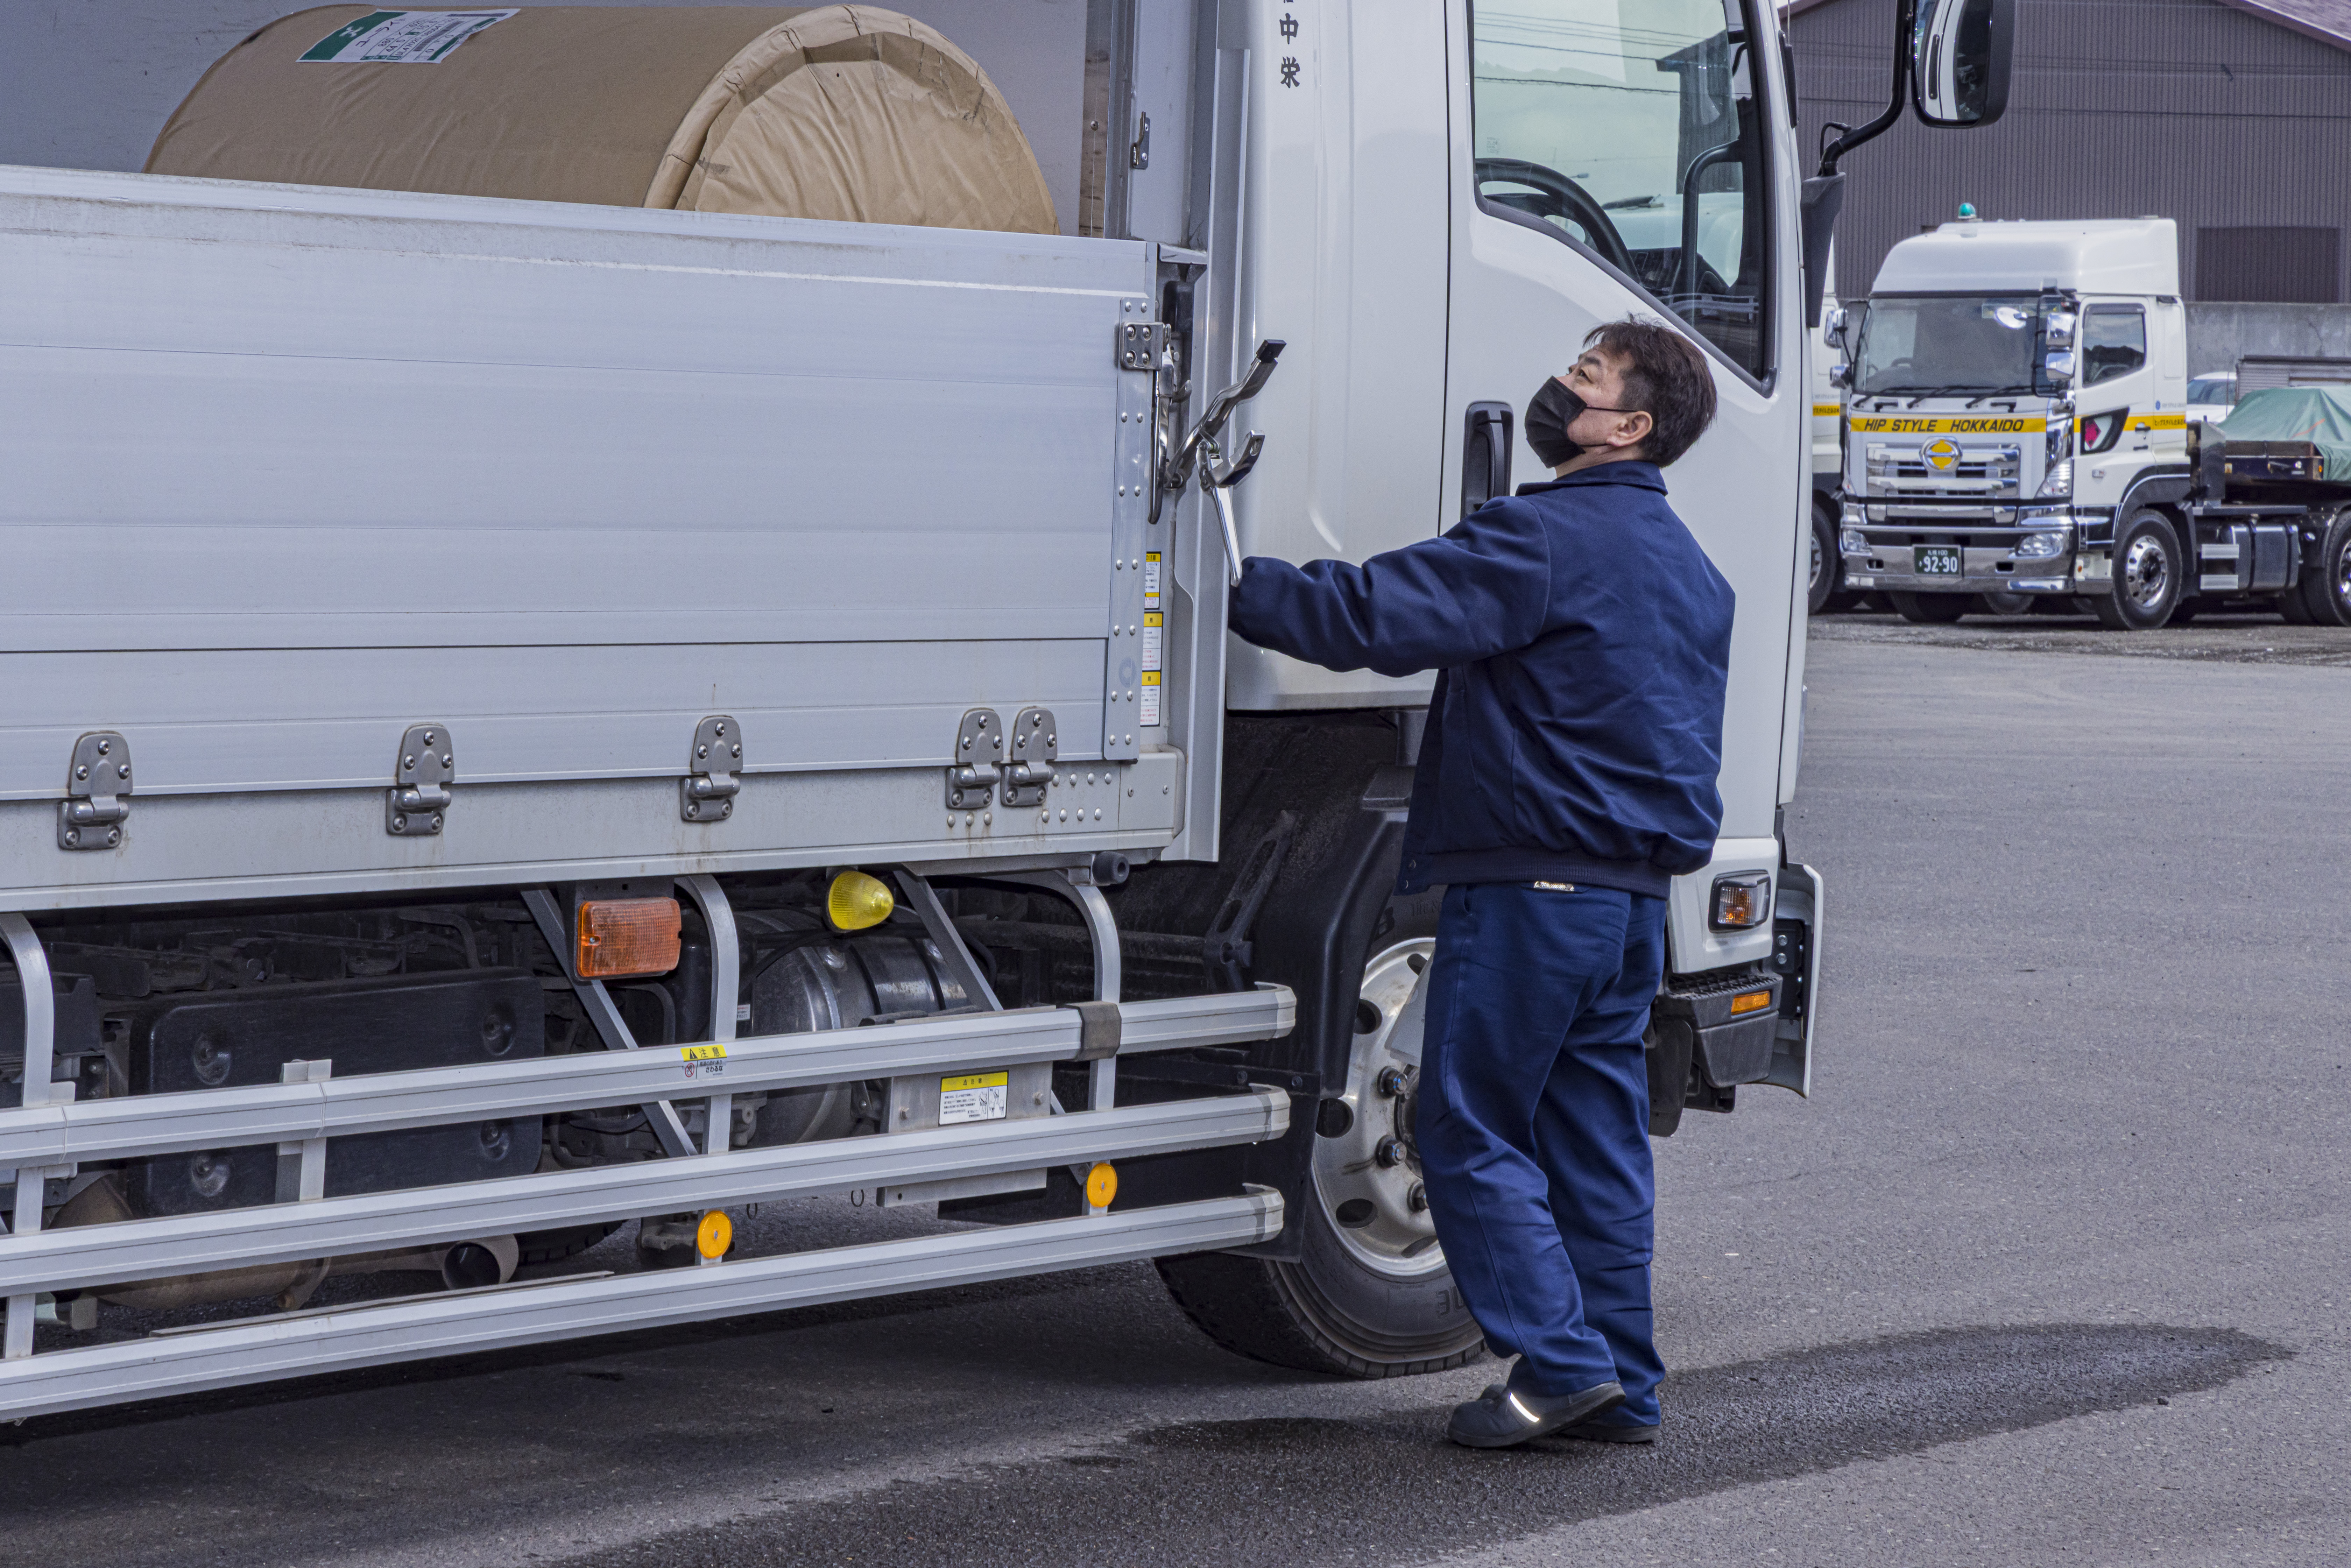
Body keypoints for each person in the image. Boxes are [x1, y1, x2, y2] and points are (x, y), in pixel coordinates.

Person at [1227, 318, 1734, 1449]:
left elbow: (1377, 615)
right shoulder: (1695, 569)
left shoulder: (1547, 536)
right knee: (1595, 1148)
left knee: (1461, 1125)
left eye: (1587, 378)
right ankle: (1625, 1387)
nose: (1562, 385)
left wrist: (1237, 586)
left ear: (1629, 427)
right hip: (1632, 908)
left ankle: (1558, 1367)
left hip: (1533, 894)